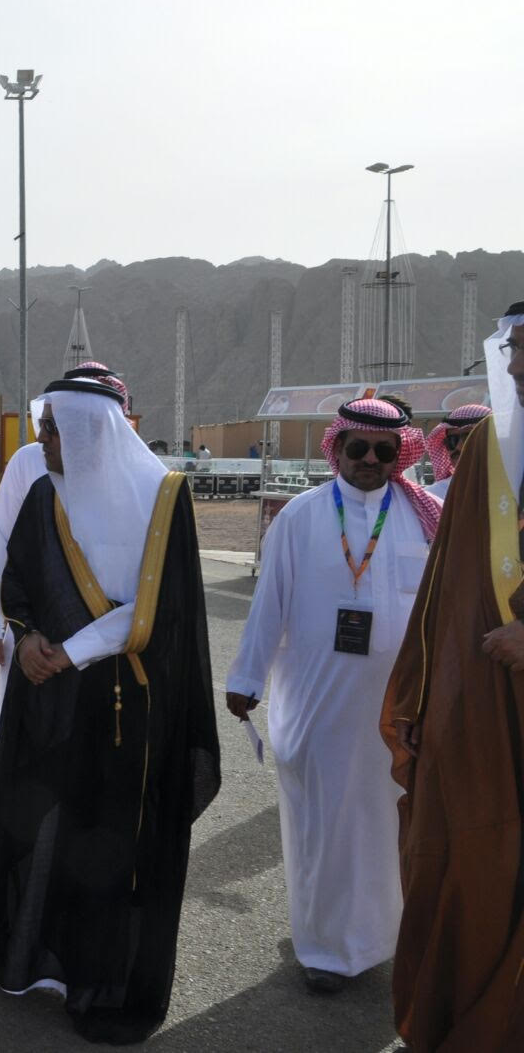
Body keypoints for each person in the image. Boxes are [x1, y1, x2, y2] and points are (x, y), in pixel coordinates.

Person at [0, 376, 219, 1045]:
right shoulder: (45, 492)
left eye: (51, 430)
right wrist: (25, 638)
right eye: (43, 427)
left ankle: (100, 979)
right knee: (44, 822)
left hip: (124, 699)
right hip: (47, 692)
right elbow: (18, 577)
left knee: (107, 841)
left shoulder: (164, 497)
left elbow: (159, 607)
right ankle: (36, 960)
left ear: (88, 432)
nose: (41, 441)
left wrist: (68, 652)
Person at [226, 396, 442, 995]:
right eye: (358, 448)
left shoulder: (425, 516)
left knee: (384, 825)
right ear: (337, 448)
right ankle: (324, 949)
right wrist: (246, 679)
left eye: (384, 451)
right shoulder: (300, 516)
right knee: (323, 827)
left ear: (400, 455)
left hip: (396, 709)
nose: (370, 460)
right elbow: (269, 604)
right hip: (318, 704)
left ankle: (377, 940)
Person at [381, 303, 524, 1052]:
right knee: (473, 861)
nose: (518, 369)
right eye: (513, 351)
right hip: (479, 714)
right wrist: (419, 695)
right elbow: (444, 592)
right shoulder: (490, 457)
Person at [0, 363, 132, 875]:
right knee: (7, 735)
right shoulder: (28, 462)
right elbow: (0, 543)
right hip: (28, 631)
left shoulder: (138, 474)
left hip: (101, 641)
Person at [424, 402, 490, 499]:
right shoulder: (432, 496)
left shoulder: (511, 486)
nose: (459, 447)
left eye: (469, 438)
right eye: (452, 440)